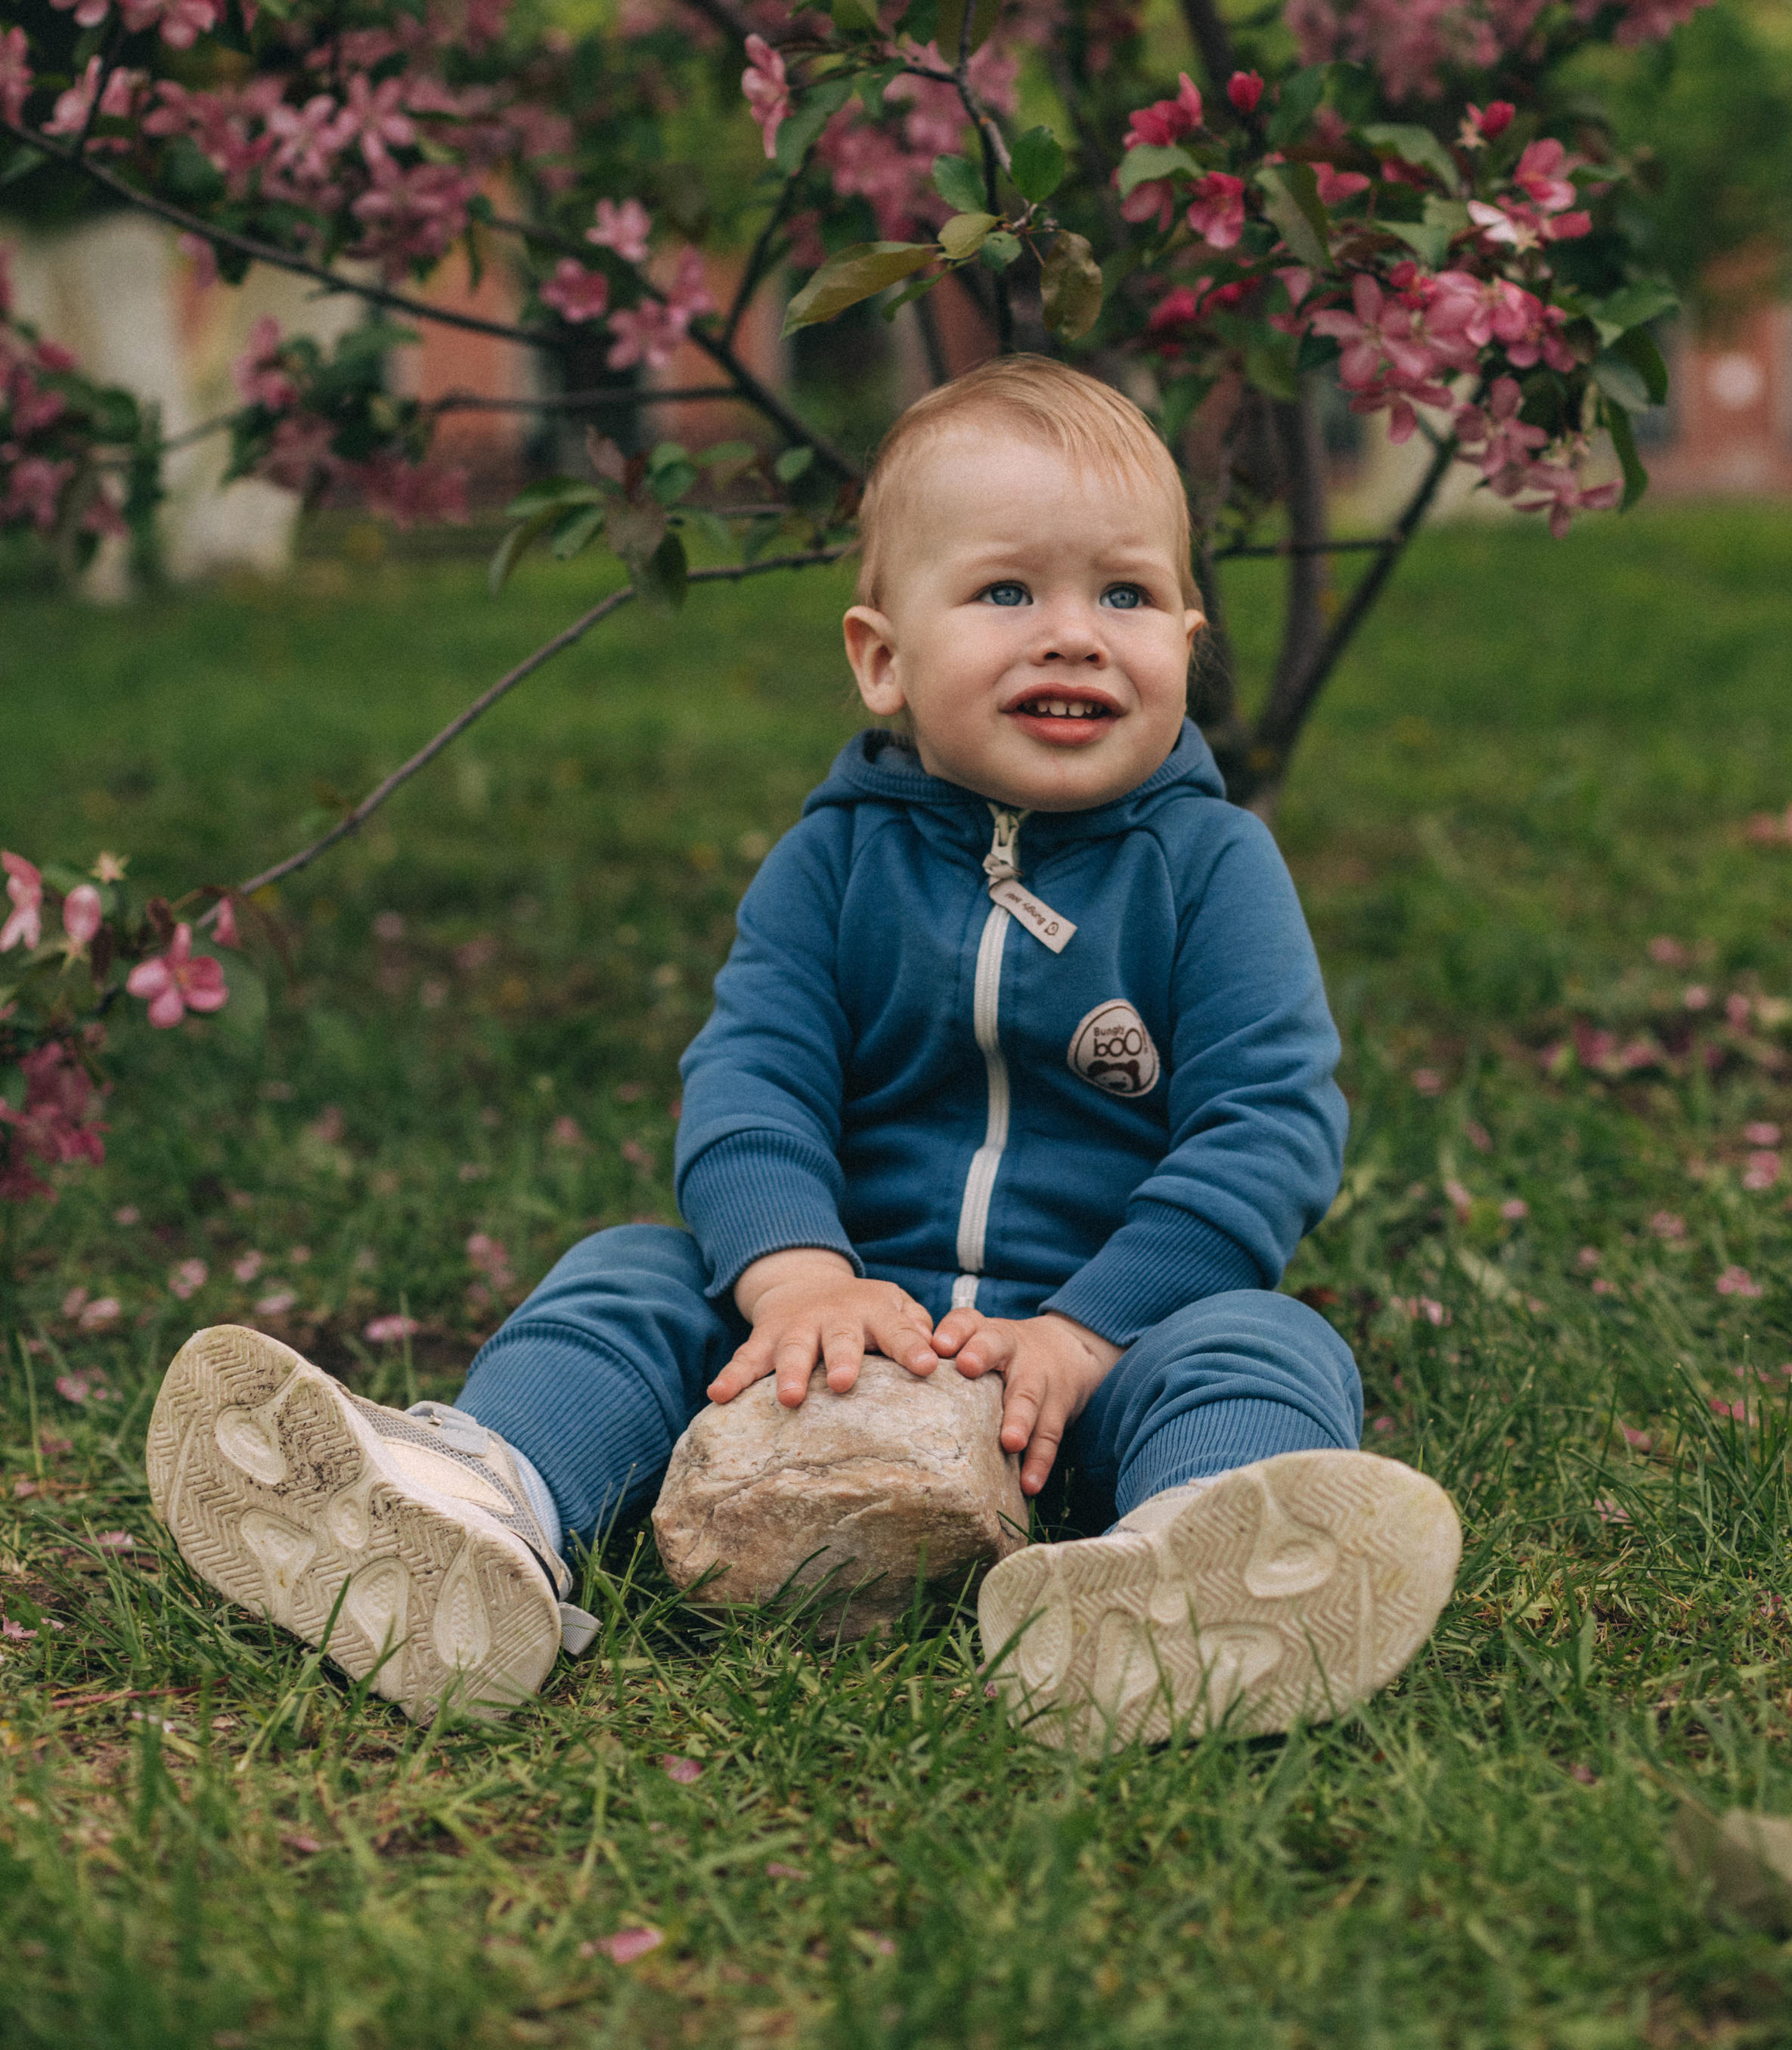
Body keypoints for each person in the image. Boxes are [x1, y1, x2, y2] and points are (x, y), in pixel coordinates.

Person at [148, 357, 1459, 1744]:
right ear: (882, 657)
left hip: (1099, 1362)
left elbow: (1267, 1127)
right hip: (829, 1346)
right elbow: (752, 1084)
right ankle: (478, 1511)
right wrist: (793, 1282)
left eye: (1125, 595)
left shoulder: (1214, 867)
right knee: (631, 1279)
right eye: (1009, 591)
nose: (1076, 635)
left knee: (1264, 1340)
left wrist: (1088, 1328)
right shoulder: (832, 866)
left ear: (1189, 644)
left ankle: (1186, 1556)